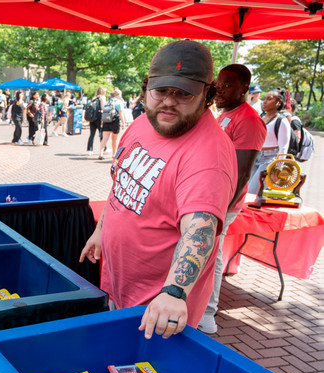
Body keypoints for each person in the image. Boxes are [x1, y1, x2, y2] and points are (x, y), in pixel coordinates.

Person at [80, 40, 237, 338]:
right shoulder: (142, 123)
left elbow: (200, 229)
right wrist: (102, 229)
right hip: (119, 284)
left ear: (207, 95)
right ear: (146, 88)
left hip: (157, 312)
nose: (168, 101)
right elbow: (120, 184)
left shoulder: (208, 155)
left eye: (183, 94)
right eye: (161, 91)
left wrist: (174, 293)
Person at [197, 64, 266, 334]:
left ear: (245, 89)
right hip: (208, 195)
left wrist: (220, 211)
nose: (221, 89)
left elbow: (243, 171)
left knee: (210, 256)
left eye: (228, 85)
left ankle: (207, 315)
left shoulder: (248, 119)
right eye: (219, 83)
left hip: (223, 202)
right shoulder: (223, 114)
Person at [247, 88, 291, 194]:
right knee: (246, 191)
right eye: (265, 98)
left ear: (278, 102)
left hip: (269, 159)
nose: (265, 101)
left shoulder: (282, 121)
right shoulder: (262, 117)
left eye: (269, 99)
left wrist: (278, 168)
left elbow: (284, 146)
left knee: (252, 191)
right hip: (255, 156)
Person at [96, 87, 125, 159]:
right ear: (117, 95)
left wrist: (102, 123)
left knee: (104, 139)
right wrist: (123, 123)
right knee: (114, 139)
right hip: (115, 121)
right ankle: (114, 154)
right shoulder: (118, 102)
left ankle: (101, 153)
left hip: (106, 121)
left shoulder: (107, 102)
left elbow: (104, 112)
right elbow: (120, 113)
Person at [86, 86, 106, 155]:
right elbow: (103, 108)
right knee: (101, 133)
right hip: (99, 116)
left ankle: (89, 149)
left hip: (92, 117)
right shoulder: (102, 98)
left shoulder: (94, 98)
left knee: (92, 134)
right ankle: (104, 148)